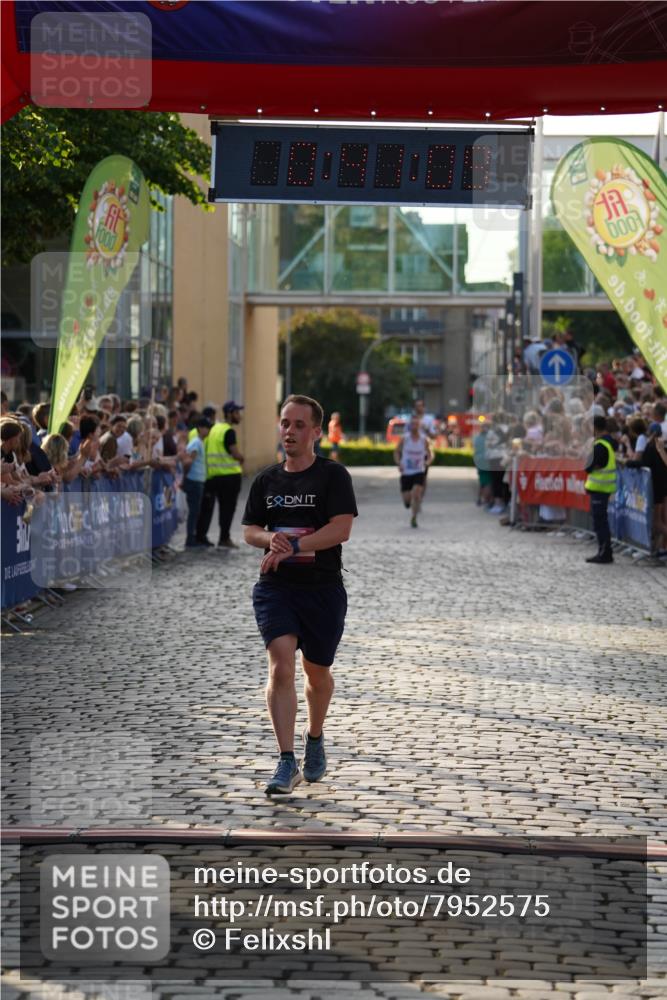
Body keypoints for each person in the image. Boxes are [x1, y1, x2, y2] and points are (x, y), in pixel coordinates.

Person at [242, 394, 357, 795]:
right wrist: (269, 537)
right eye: (285, 423)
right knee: (280, 667)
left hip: (323, 590)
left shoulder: (333, 477)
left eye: (298, 425)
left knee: (317, 672)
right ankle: (286, 759)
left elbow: (340, 529)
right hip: (276, 589)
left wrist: (293, 546)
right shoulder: (266, 480)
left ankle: (315, 735)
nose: (289, 431)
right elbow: (250, 530)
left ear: (316, 432)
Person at [196, 400, 244, 548]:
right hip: (229, 477)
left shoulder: (214, 428)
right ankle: (224, 538)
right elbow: (234, 453)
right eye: (237, 412)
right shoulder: (229, 431)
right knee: (227, 509)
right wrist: (242, 458)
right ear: (229, 414)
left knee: (207, 509)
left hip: (212, 476)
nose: (239, 415)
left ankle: (201, 536)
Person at [584, 414, 617, 564]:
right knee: (601, 521)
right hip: (603, 488)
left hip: (600, 489)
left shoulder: (600, 446)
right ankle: (604, 551)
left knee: (600, 522)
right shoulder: (606, 444)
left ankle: (604, 553)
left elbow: (589, 467)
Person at [394, 413, 432, 528]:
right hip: (406, 472)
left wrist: (427, 462)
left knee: (416, 494)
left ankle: (414, 518)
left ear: (419, 426)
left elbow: (429, 454)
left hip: (419, 471)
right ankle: (408, 503)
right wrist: (398, 463)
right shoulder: (404, 439)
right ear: (410, 425)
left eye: (417, 424)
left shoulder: (423, 439)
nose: (415, 426)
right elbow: (396, 452)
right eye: (413, 424)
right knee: (407, 500)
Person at [182, 416, 211, 548]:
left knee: (195, 511)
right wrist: (185, 477)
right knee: (194, 512)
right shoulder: (196, 443)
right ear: (200, 428)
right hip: (194, 481)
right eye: (207, 428)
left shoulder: (199, 442)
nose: (209, 430)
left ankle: (192, 538)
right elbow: (188, 462)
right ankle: (190, 540)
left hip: (197, 480)